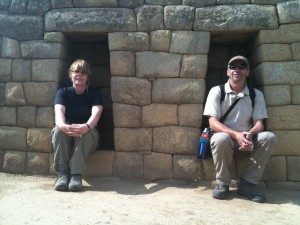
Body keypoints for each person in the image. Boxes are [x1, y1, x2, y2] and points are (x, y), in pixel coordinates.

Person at [203, 56, 277, 203]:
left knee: (269, 137)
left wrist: (249, 134)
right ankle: (222, 183)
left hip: (247, 139)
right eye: (233, 66)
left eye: (242, 66)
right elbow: (212, 122)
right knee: (221, 138)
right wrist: (236, 135)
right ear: (228, 72)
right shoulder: (217, 91)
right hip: (226, 139)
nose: (237, 69)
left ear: (248, 72)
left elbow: (259, 123)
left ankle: (248, 183)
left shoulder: (256, 94)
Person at [51, 59, 103, 191]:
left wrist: (86, 127)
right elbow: (59, 110)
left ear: (88, 77)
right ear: (71, 74)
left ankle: (75, 175)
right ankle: (63, 174)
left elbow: (96, 112)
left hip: (88, 137)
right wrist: (62, 125)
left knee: (88, 132)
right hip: (67, 134)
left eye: (83, 72)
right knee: (57, 130)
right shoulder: (63, 92)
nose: (79, 74)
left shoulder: (94, 94)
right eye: (76, 71)